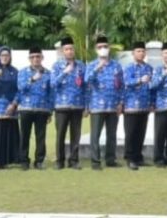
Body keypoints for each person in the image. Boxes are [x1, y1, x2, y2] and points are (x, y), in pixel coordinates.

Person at [85, 35, 123, 170]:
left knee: (111, 135)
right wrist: (97, 68)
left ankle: (110, 160)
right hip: (96, 105)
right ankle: (95, 161)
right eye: (100, 47)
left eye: (105, 47)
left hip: (112, 105)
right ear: (96, 50)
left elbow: (121, 85)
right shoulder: (91, 65)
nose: (103, 49)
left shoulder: (116, 66)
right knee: (95, 135)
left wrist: (120, 102)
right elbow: (87, 81)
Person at [50, 36, 85, 169]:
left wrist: (86, 105)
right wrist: (64, 73)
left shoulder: (81, 66)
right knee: (60, 135)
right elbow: (53, 84)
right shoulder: (57, 66)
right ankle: (60, 160)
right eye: (67, 49)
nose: (70, 51)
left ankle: (74, 160)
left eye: (71, 49)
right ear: (63, 51)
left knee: (76, 135)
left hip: (77, 105)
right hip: (61, 105)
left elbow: (85, 87)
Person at [17, 46, 53, 170]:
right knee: (24, 136)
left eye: (38, 56)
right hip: (26, 108)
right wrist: (32, 79)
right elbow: (20, 88)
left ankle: (39, 161)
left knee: (41, 137)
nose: (35, 59)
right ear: (29, 59)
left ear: (42, 58)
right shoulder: (23, 72)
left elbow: (50, 93)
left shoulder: (48, 73)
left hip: (42, 109)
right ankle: (24, 161)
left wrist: (50, 111)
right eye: (33, 57)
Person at [122, 41, 153, 170]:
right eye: (138, 51)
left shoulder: (149, 68)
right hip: (131, 106)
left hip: (144, 105)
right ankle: (130, 159)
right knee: (131, 133)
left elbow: (151, 87)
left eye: (143, 51)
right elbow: (126, 82)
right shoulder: (128, 68)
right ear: (133, 53)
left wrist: (152, 102)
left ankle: (138, 157)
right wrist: (139, 80)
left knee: (141, 133)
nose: (141, 53)